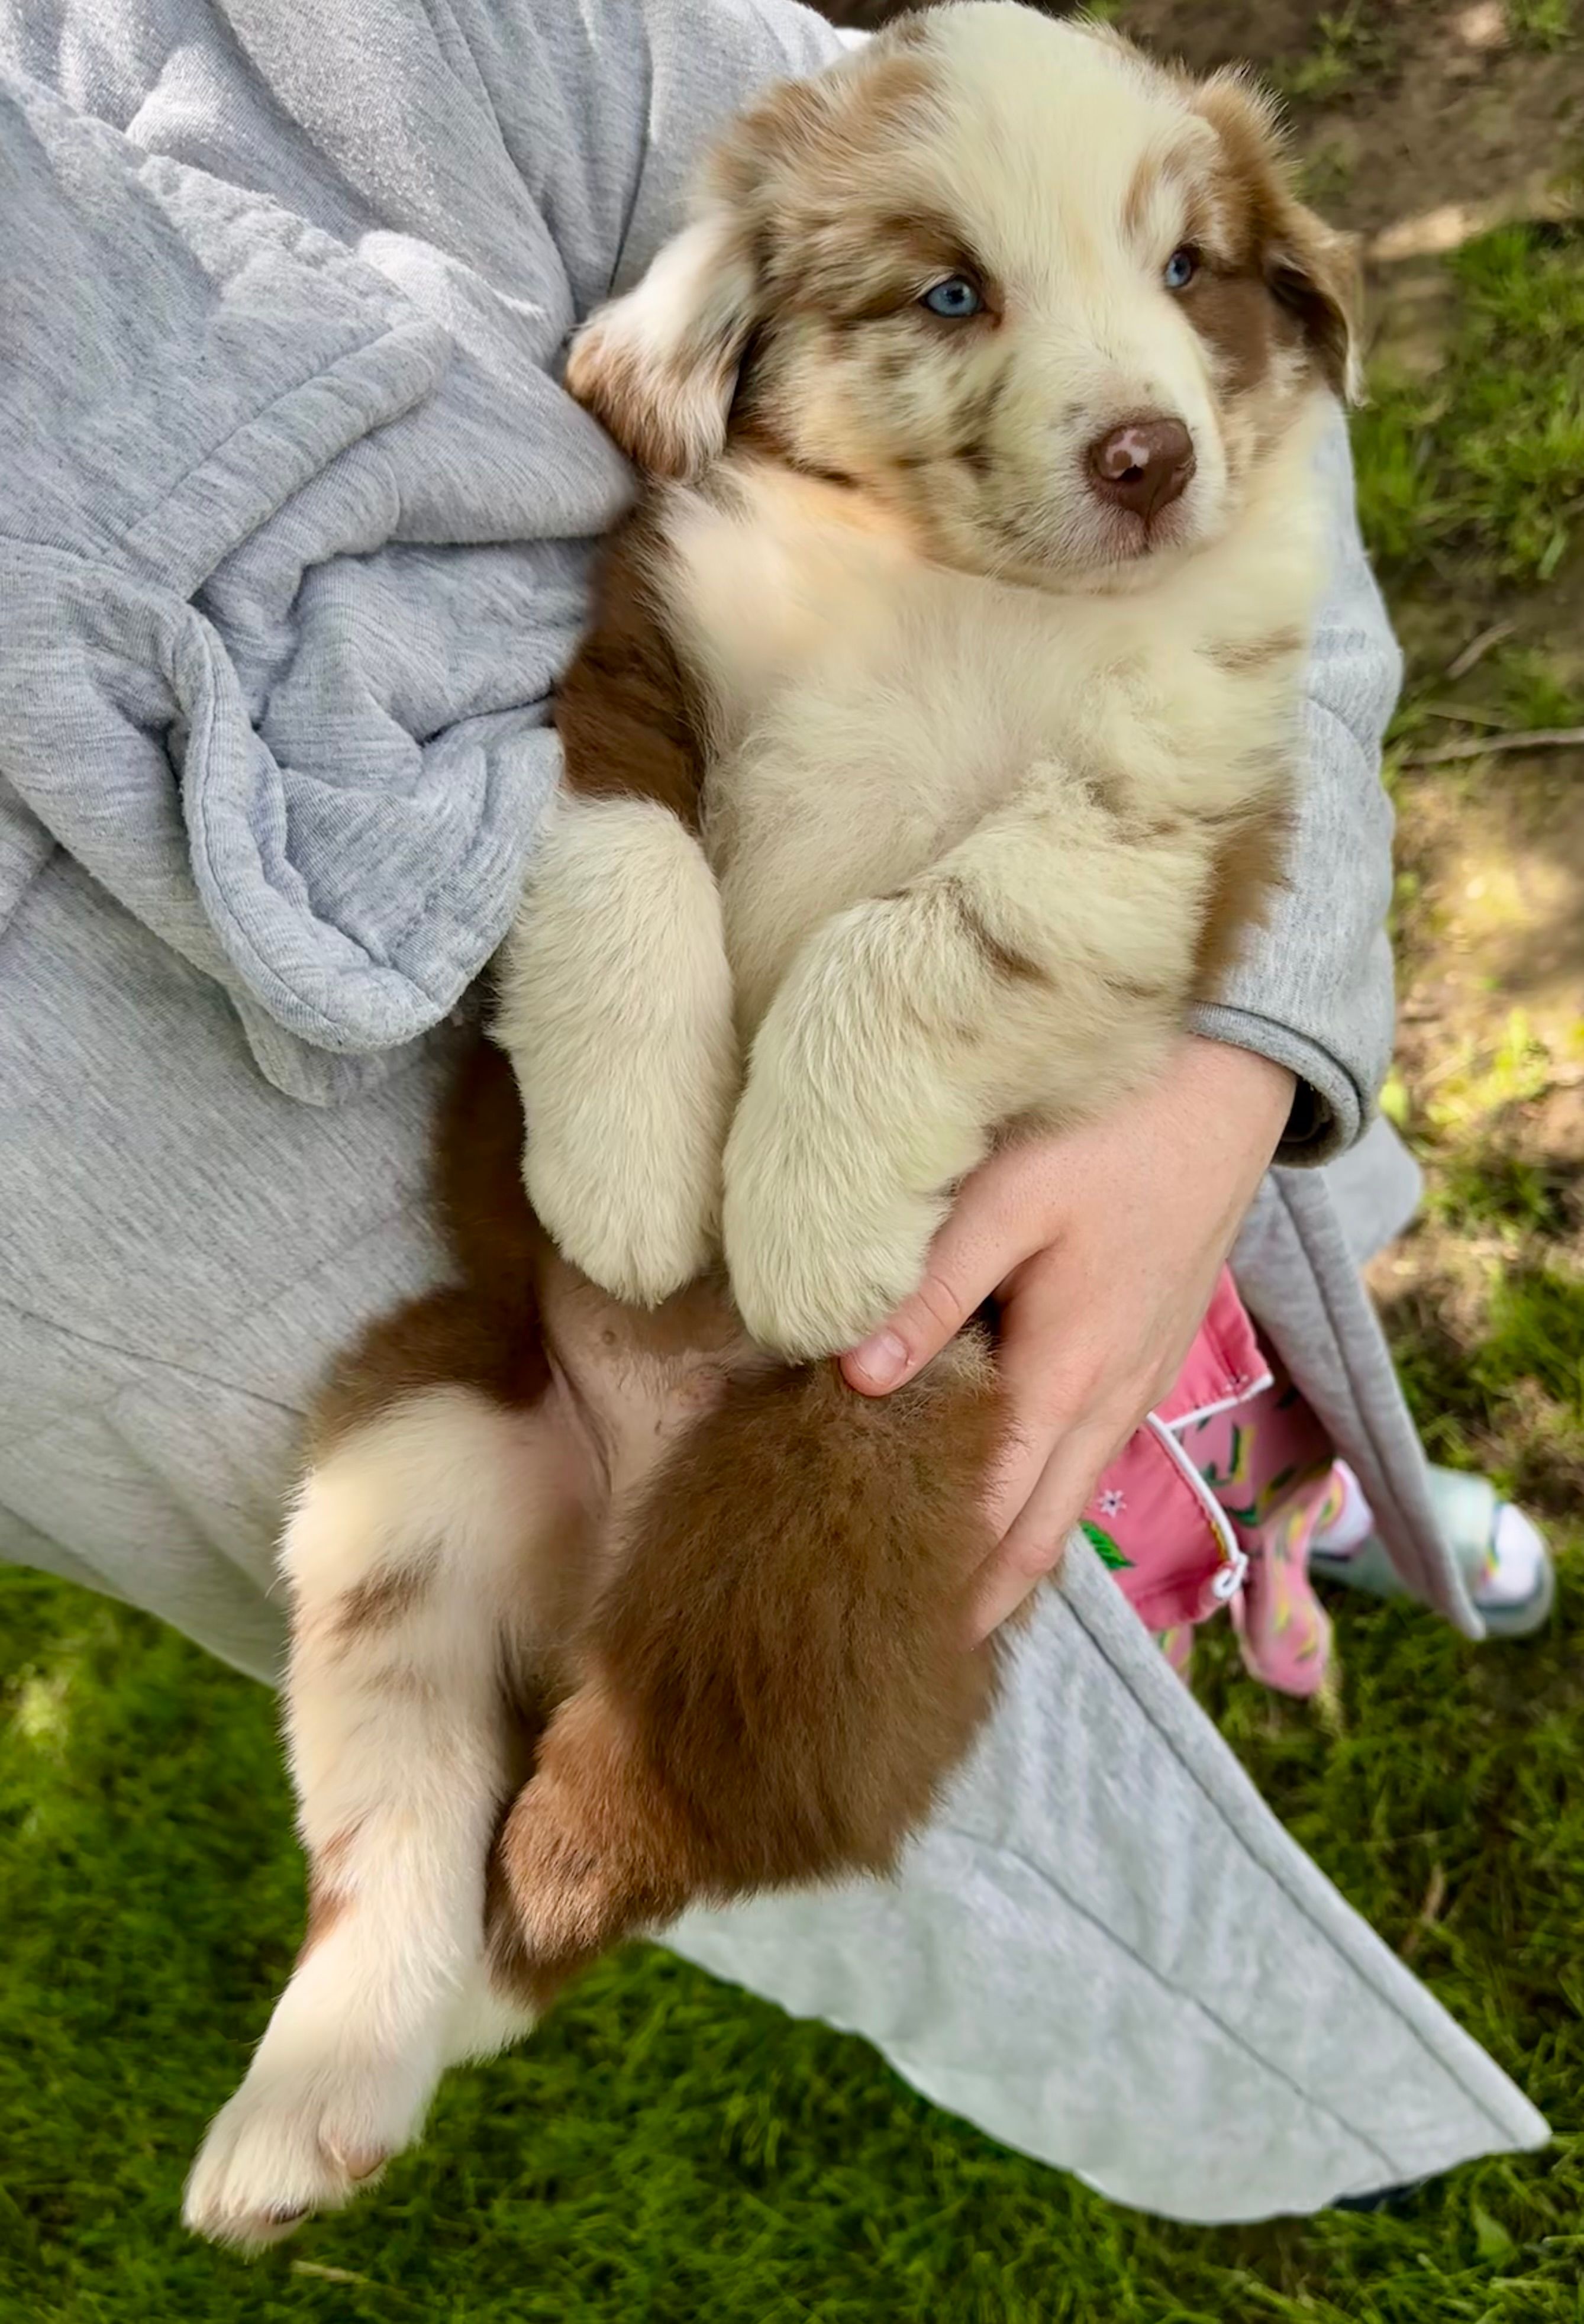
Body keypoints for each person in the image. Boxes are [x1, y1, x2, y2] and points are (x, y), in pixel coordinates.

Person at [0, 0, 1550, 2223]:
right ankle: (421, 1940)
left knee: (1221, 1406)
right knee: (405, 1541)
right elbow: (627, 741)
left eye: (1173, 277)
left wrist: (1216, 1075)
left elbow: (1216, 696)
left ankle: (1321, 1536)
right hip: (631, 1437)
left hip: (1078, 1225)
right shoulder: (740, 492)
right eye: (955, 299)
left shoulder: (287, 46)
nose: (1123, 399)